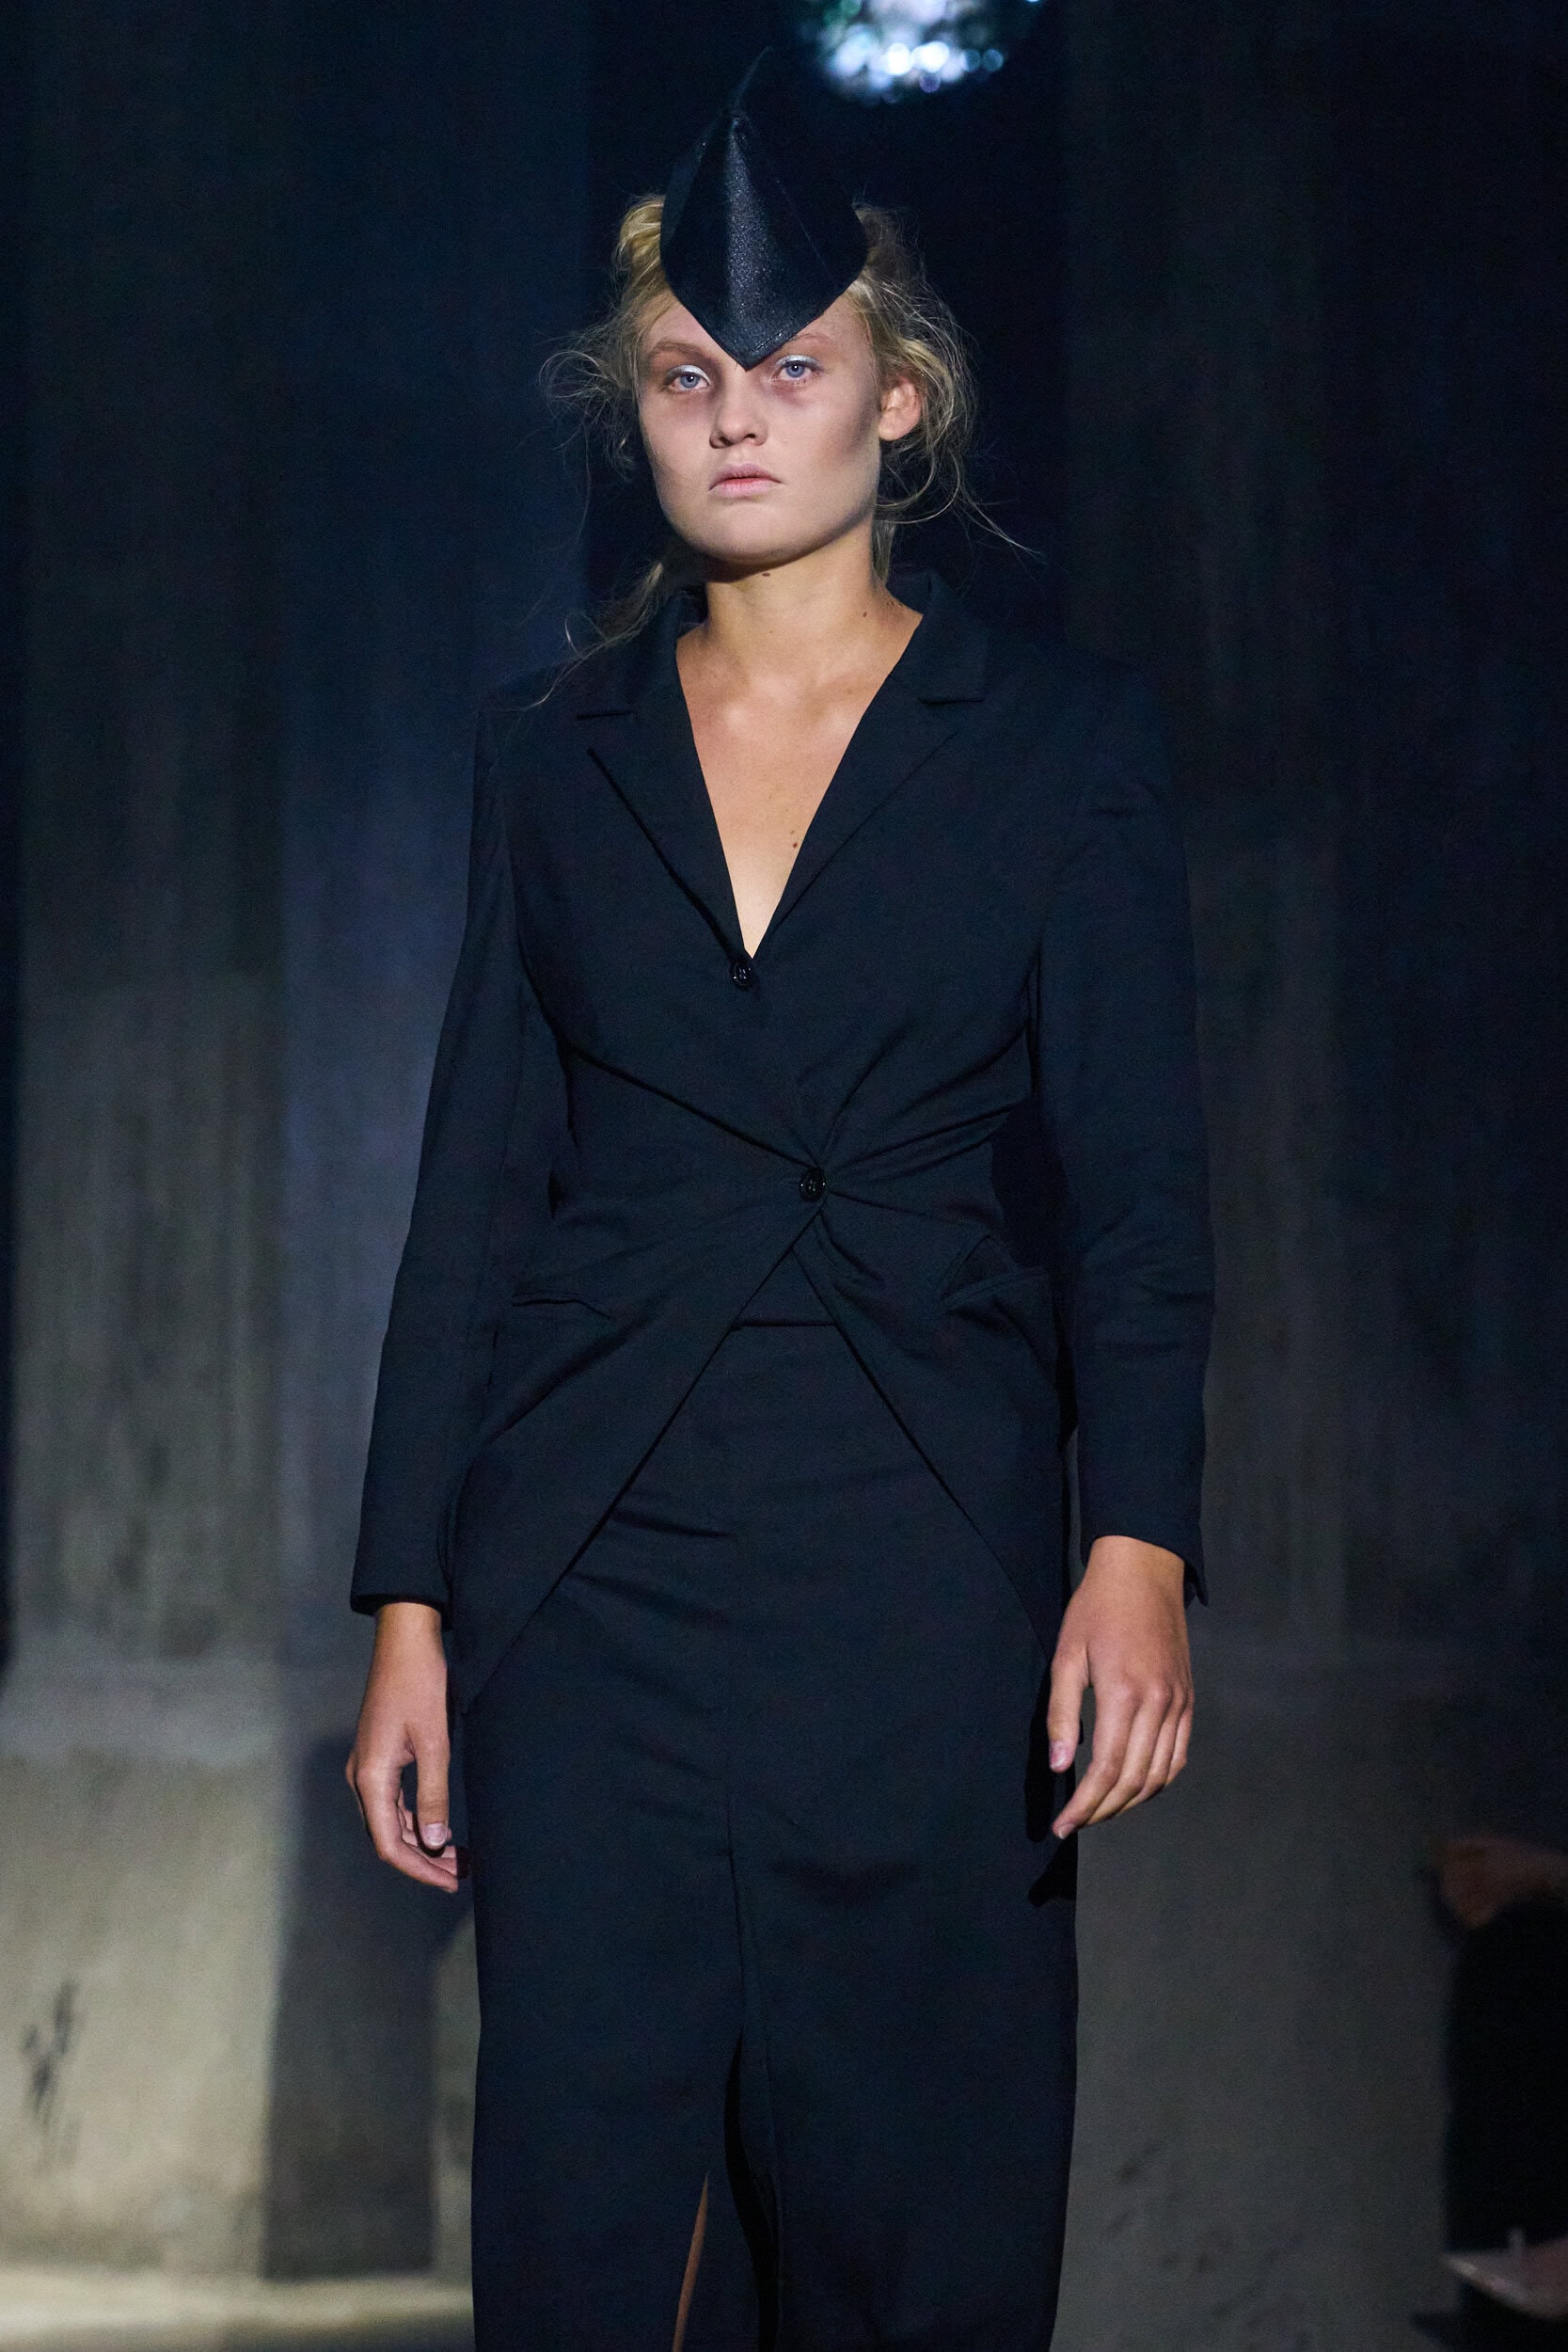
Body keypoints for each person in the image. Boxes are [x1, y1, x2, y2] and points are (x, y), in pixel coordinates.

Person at [345, 53, 1213, 2352]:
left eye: (792, 368)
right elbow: (475, 1187)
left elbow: (1137, 1185)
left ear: (897, 400)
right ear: (631, 410)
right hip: (591, 1572)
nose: (737, 417)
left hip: (925, 1569)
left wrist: (1138, 1540)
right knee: (585, 2227)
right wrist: (411, 1599)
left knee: (917, 2228)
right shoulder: (552, 753)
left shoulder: (1060, 745)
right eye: (684, 376)